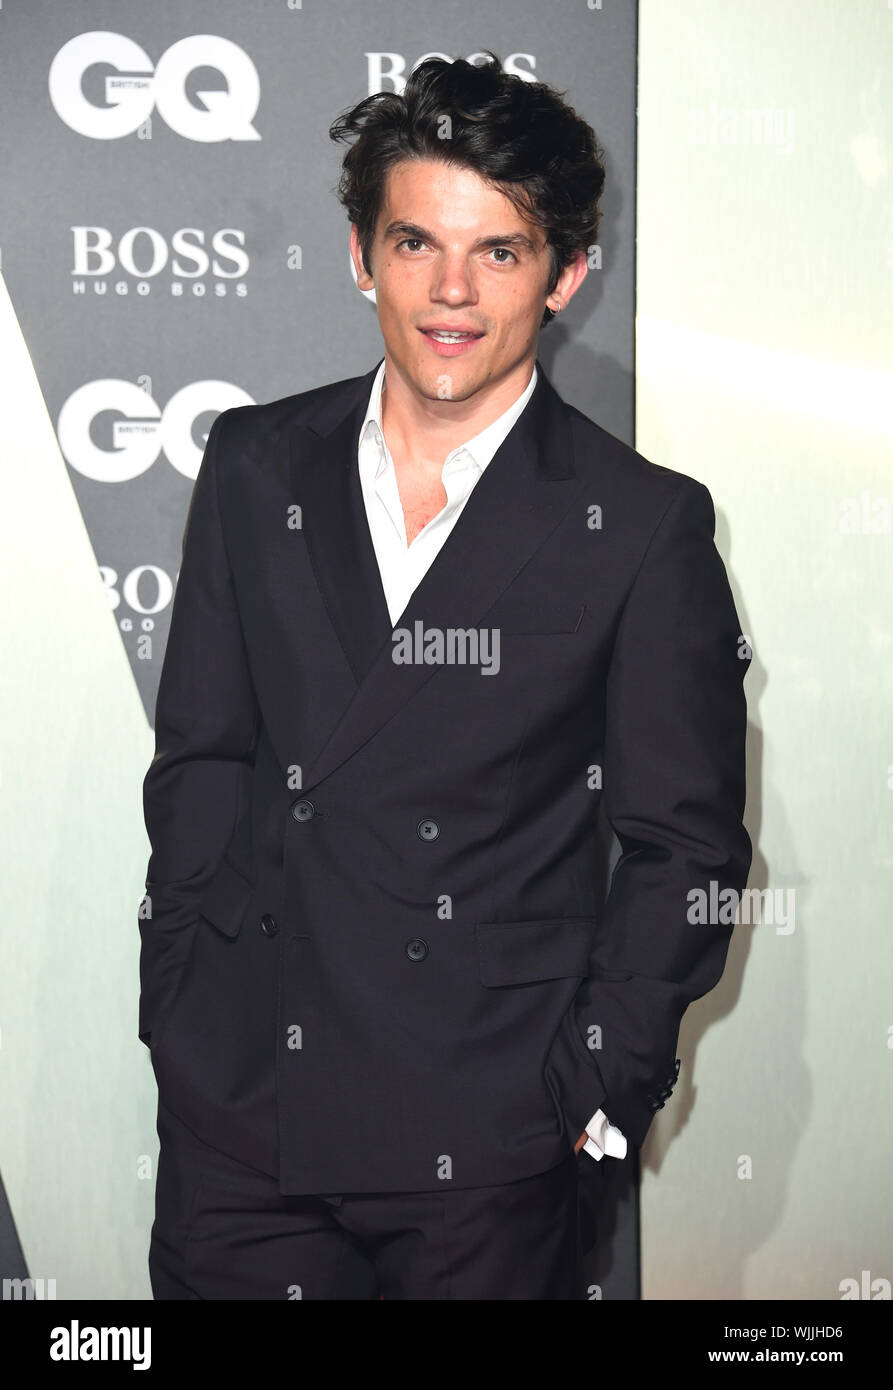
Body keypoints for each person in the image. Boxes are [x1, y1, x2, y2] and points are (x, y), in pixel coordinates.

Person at [139, 53, 752, 1300]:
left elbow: (683, 844)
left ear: (566, 274)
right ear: (362, 256)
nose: (451, 293)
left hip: (494, 1142)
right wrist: (182, 999)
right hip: (249, 1121)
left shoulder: (636, 524)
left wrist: (597, 1085)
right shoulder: (257, 465)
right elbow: (203, 755)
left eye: (501, 252)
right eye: (415, 243)